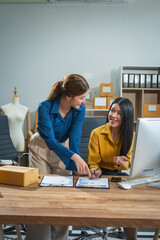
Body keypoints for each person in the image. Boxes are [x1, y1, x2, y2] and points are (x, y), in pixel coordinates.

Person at [25, 74, 91, 240]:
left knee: (63, 193)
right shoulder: (44, 107)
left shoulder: (79, 109)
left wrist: (76, 168)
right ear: (68, 96)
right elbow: (51, 141)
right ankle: (38, 237)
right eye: (81, 98)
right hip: (41, 147)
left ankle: (59, 238)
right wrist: (73, 156)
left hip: (63, 148)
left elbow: (75, 138)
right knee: (41, 193)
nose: (84, 101)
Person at [88, 97, 137, 240]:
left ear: (126, 116)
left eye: (119, 113)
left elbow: (128, 161)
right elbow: (93, 162)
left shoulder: (131, 136)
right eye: (112, 110)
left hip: (119, 175)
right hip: (100, 176)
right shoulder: (96, 133)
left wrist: (123, 162)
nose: (113, 115)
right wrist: (95, 170)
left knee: (131, 207)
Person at [0, 87, 28, 152]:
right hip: (7, 139)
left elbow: (28, 129)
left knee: (19, 159)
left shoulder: (25, 108)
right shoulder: (4, 108)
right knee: (6, 160)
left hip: (19, 139)